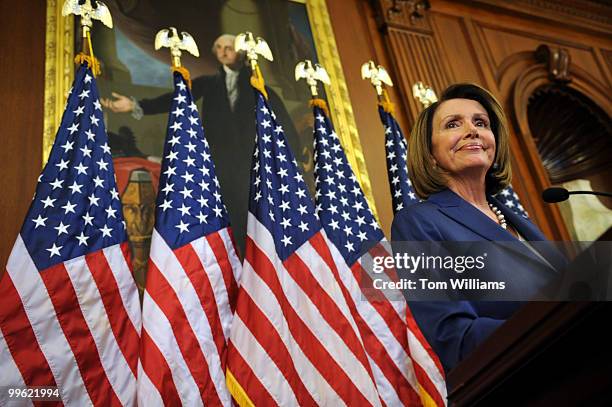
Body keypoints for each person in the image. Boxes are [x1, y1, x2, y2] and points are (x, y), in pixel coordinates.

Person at [391, 83, 565, 373]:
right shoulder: (417, 223)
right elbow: (453, 336)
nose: (472, 130)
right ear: (430, 153)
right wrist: (553, 327)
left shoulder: (517, 220)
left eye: (480, 123)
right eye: (453, 124)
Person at [101, 34, 302, 255]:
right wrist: (134, 105)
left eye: (229, 47)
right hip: (220, 166)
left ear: (241, 53)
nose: (224, 51)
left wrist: (298, 158)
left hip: (252, 167)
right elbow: (175, 98)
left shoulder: (258, 87)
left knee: (256, 221)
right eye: (219, 47)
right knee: (227, 221)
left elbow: (281, 121)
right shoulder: (208, 83)